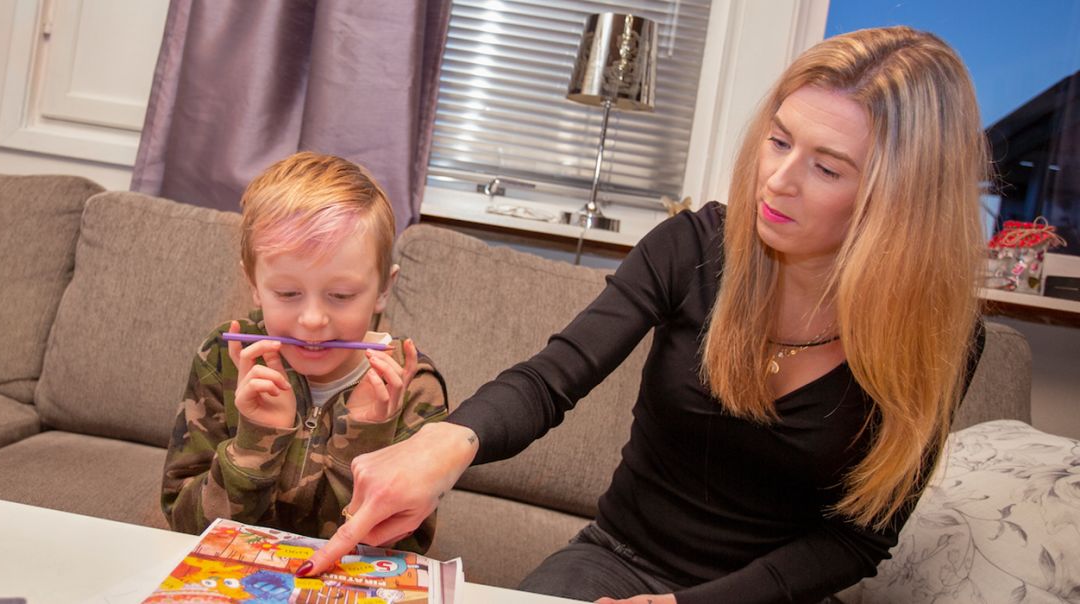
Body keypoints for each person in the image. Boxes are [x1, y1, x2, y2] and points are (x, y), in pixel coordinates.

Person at [300, 25, 989, 602]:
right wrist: (442, 444)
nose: (776, 179)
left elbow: (857, 538)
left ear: (898, 203)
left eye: (828, 168)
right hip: (615, 559)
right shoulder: (694, 247)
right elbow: (551, 378)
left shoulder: (940, 339)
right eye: (779, 142)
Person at [161, 152, 448, 554]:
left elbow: (400, 549)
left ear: (384, 288)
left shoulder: (412, 387)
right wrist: (254, 444)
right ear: (255, 284)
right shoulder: (226, 357)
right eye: (288, 294)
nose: (313, 320)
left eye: (341, 295)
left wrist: (363, 440)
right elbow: (184, 523)